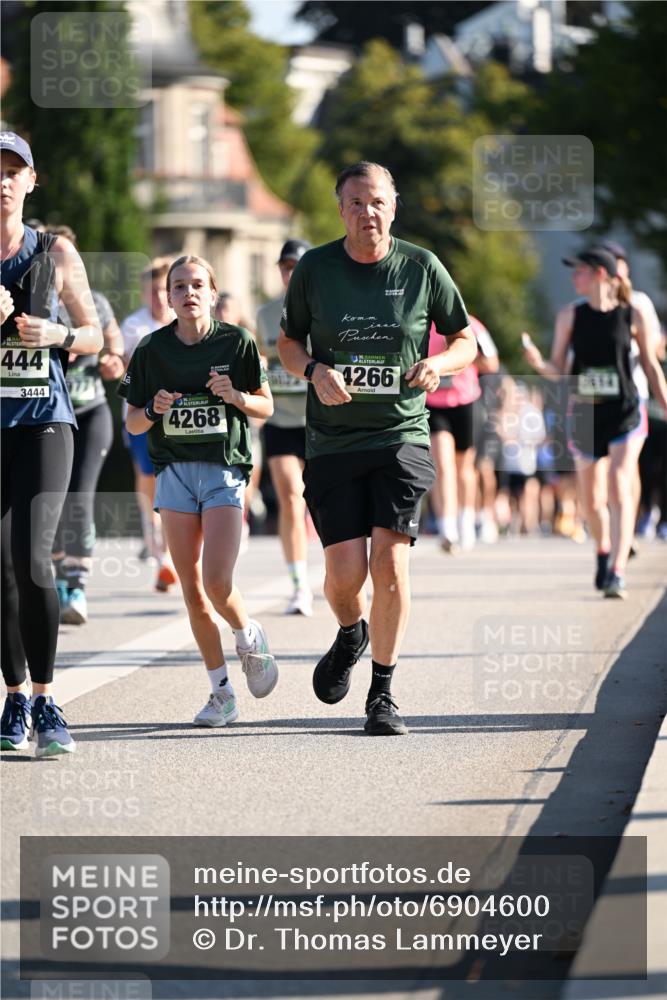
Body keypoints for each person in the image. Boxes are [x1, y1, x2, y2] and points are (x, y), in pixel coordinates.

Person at [278, 161, 476, 736]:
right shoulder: (314, 268)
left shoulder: (421, 266)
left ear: (395, 205)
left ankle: (382, 694)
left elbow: (465, 340)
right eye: (357, 203)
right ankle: (350, 632)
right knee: (344, 578)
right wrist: (314, 370)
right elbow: (288, 342)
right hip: (334, 440)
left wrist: (438, 363)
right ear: (341, 209)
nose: (369, 213)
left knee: (389, 565)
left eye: (378, 202)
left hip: (402, 435)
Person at [119, 254, 278, 726]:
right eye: (179, 286)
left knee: (217, 582)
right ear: (167, 297)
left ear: (213, 294)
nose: (188, 294)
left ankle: (248, 634)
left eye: (197, 286)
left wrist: (236, 397)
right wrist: (153, 408)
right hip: (174, 473)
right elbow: (131, 421)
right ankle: (221, 693)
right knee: (191, 590)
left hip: (224, 470)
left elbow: (265, 407)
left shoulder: (238, 342)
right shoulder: (151, 350)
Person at [1, 131, 103, 755]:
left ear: (32, 182)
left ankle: (46, 698)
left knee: (34, 558)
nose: (3, 180)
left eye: (14, 170)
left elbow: (95, 335)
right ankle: (13, 698)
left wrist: (56, 333)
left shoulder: (56, 252)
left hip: (44, 419)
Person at [523, 246, 667, 598]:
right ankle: (603, 550)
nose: (574, 277)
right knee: (592, 498)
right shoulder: (570, 316)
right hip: (585, 411)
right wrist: (539, 363)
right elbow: (558, 369)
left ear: (600, 274)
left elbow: (650, 364)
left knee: (619, 482)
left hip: (625, 410)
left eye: (580, 271)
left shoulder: (632, 313)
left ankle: (617, 568)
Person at [45, 224, 125, 626]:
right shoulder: (34, 302)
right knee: (50, 500)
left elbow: (114, 347)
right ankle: (59, 575)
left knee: (80, 497)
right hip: (48, 415)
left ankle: (76, 584)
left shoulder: (95, 301)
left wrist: (113, 361)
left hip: (90, 413)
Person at [256, 239, 314, 614]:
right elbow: (260, 359)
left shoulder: (326, 308)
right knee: (291, 497)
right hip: (280, 419)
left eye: (297, 266)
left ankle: (345, 573)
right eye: (285, 266)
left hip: (320, 421)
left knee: (323, 504)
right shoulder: (265, 314)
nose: (290, 273)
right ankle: (299, 584)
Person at [120, 258, 177, 590]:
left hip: (178, 419)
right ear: (144, 293)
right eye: (152, 290)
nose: (158, 297)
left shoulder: (179, 320)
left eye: (162, 290)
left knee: (170, 484)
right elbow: (129, 373)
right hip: (142, 418)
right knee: (148, 483)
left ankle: (167, 556)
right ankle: (158, 552)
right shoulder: (134, 326)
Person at [426, 315, 499, 552]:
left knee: (464, 469)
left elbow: (492, 363)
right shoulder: (420, 321)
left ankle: (465, 521)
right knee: (443, 466)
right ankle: (447, 529)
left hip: (465, 401)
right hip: (433, 402)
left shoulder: (472, 324)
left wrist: (463, 354)